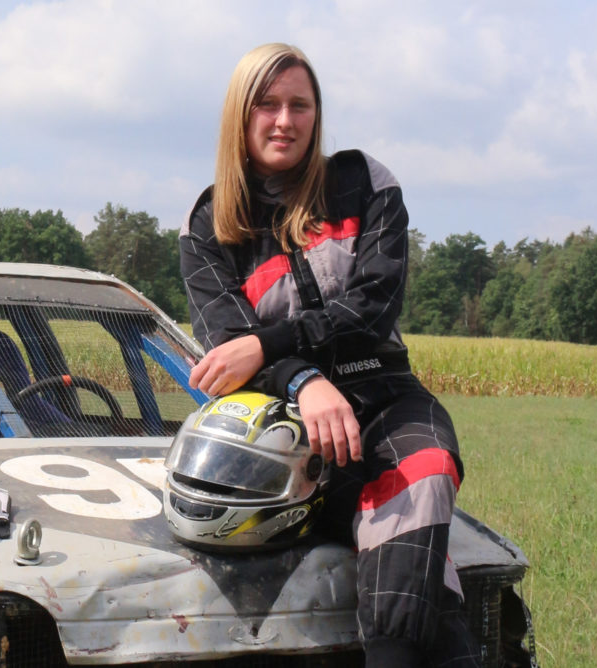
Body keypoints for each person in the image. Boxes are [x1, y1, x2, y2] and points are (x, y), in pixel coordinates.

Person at [180, 42, 479, 667]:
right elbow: (226, 348)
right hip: (284, 427)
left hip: (387, 397)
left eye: (300, 105)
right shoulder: (207, 225)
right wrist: (304, 382)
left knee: (423, 474)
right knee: (419, 554)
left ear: (317, 116)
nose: (284, 120)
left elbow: (374, 305)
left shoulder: (364, 182)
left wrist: (272, 344)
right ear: (240, 114)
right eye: (267, 104)